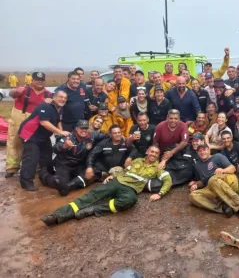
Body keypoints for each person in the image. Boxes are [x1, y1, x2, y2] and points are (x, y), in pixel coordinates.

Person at [40, 146, 172, 226]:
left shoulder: (157, 168)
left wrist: (160, 194)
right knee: (92, 195)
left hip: (130, 189)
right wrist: (112, 176)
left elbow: (168, 180)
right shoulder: (137, 160)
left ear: (158, 156)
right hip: (118, 182)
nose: (153, 154)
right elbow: (126, 171)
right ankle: (57, 216)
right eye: (152, 151)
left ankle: (93, 210)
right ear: (147, 152)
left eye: (156, 153)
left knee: (130, 201)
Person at [39, 120, 109, 196]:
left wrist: (117, 135)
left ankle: (68, 186)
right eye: (81, 128)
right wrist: (64, 146)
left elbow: (106, 135)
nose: (84, 130)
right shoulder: (69, 137)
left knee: (91, 174)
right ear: (76, 128)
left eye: (86, 128)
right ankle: (44, 174)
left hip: (78, 165)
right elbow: (55, 149)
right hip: (64, 164)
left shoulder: (92, 135)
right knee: (59, 182)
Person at [17, 91, 69, 191]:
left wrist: (61, 133)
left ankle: (45, 174)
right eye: (60, 97)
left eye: (65, 98)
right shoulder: (45, 106)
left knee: (47, 154)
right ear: (54, 97)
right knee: (32, 157)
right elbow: (44, 122)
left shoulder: (60, 109)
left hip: (43, 136)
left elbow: (58, 121)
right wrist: (61, 132)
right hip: (31, 134)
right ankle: (26, 182)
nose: (63, 99)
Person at [5, 72, 52, 178]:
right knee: (15, 142)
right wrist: (15, 91)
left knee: (34, 143)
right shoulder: (24, 89)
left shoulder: (48, 94)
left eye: (42, 80)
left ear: (44, 81)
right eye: (37, 80)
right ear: (32, 81)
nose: (40, 82)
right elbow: (12, 93)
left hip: (36, 120)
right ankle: (12, 167)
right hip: (19, 117)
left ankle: (34, 165)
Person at [188, 143, 239, 218]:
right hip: (213, 188)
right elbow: (203, 182)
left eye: (204, 150)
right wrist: (196, 185)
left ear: (209, 150)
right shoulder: (197, 165)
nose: (202, 152)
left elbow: (233, 168)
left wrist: (223, 170)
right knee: (192, 196)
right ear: (197, 153)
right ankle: (224, 206)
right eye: (200, 151)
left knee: (212, 180)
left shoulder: (218, 156)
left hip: (228, 181)